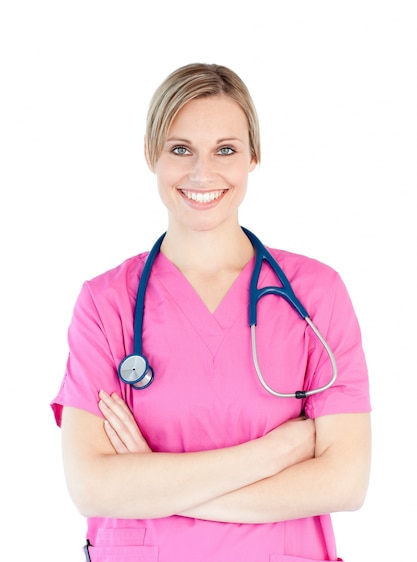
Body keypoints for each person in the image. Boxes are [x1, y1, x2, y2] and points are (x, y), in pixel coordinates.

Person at [51, 63, 371, 562]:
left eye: (226, 149)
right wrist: (274, 454)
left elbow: (346, 481)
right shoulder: (105, 303)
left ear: (253, 157)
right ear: (151, 155)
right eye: (181, 149)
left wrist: (155, 484)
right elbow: (91, 485)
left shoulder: (315, 295)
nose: (203, 173)